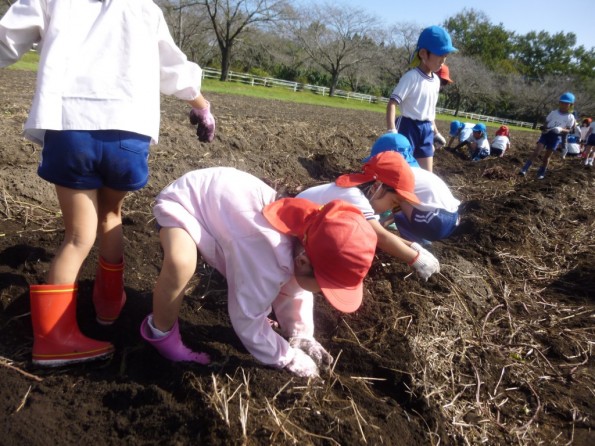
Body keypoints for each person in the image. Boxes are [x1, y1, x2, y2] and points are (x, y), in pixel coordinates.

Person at [0, 0, 216, 366]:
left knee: (77, 236)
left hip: (69, 124)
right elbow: (173, 69)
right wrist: (201, 104)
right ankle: (109, 304)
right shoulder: (144, 8)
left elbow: (7, 38)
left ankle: (54, 338)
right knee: (111, 214)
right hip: (127, 130)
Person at [140, 167, 377, 378]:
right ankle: (162, 333)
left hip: (224, 208)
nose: (326, 293)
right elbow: (246, 318)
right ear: (304, 261)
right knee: (181, 263)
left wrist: (302, 334)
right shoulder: (264, 251)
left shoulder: (303, 237)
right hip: (185, 203)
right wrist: (286, 357)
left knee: (273, 277)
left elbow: (294, 291)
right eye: (326, 286)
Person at [297, 148, 439, 281]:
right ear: (377, 187)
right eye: (394, 201)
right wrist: (416, 259)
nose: (393, 207)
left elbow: (380, 232)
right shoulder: (352, 195)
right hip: (292, 236)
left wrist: (413, 246)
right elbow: (379, 236)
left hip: (306, 235)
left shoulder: (363, 200)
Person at [359, 136, 461, 245]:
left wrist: (376, 223)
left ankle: (415, 244)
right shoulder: (416, 171)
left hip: (436, 222)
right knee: (397, 199)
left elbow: (397, 204)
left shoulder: (398, 177)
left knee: (396, 196)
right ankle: (419, 240)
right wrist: (383, 223)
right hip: (452, 219)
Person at [386, 26, 457, 172]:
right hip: (408, 127)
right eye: (440, 56)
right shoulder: (411, 78)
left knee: (427, 174)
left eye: (445, 57)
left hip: (426, 130)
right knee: (402, 171)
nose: (442, 61)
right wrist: (392, 130)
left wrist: (436, 133)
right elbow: (392, 103)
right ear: (424, 54)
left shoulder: (436, 81)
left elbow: (429, 112)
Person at [519, 92, 576, 179]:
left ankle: (541, 172)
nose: (563, 104)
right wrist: (544, 127)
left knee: (546, 157)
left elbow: (569, 129)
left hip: (556, 137)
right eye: (562, 102)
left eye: (566, 103)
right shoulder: (553, 112)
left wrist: (560, 129)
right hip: (546, 134)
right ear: (559, 102)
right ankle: (525, 168)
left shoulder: (570, 117)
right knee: (536, 152)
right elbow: (546, 122)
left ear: (570, 105)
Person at [432, 64, 454, 149]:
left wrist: (436, 133)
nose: (441, 85)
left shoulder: (434, 94)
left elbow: (429, 116)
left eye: (444, 83)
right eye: (441, 81)